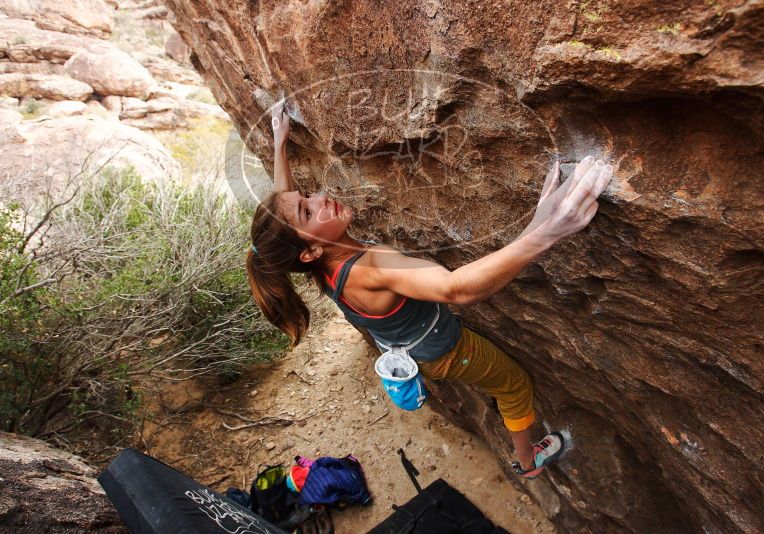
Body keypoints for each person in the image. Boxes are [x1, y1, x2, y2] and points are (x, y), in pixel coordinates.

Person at [246, 100, 613, 479]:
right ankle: (527, 462)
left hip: (410, 344)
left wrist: (280, 143)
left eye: (306, 195)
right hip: (447, 350)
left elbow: (285, 205)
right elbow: (456, 289)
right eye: (309, 210)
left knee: (494, 377)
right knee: (515, 384)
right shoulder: (372, 268)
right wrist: (546, 231)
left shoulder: (318, 264)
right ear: (310, 251)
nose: (320, 198)